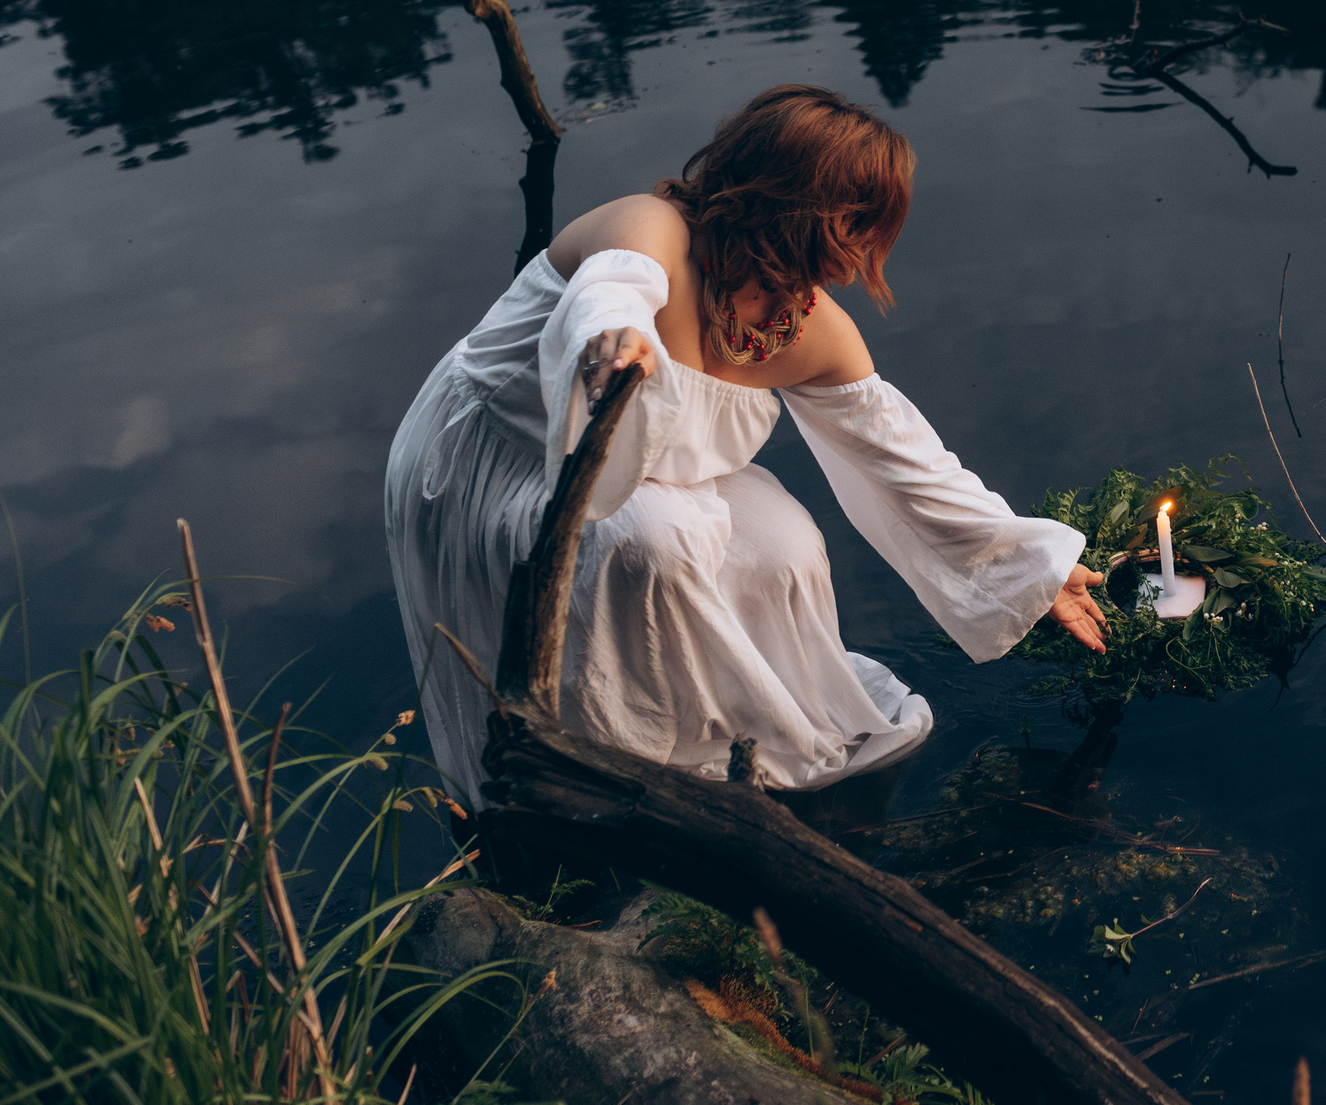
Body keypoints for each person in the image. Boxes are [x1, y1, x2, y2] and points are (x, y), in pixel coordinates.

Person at [384, 84, 1106, 809]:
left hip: (646, 468)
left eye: (875, 222)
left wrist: (1033, 569)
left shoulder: (812, 328)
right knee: (651, 544)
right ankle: (598, 775)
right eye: (851, 218)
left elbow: (908, 466)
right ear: (789, 199)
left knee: (787, 543)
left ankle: (729, 743)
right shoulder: (654, 226)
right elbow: (615, 287)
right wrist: (621, 336)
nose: (861, 247)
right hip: (505, 451)